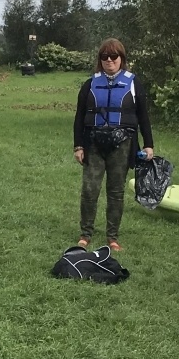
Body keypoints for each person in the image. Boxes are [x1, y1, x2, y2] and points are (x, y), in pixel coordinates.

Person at [72, 38, 154, 252]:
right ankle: (86, 233)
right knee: (90, 189)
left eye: (114, 56)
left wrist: (148, 145)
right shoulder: (90, 84)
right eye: (105, 57)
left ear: (121, 59)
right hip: (93, 142)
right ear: (100, 60)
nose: (109, 60)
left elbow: (143, 116)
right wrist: (78, 146)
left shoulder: (134, 83)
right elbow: (79, 117)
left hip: (122, 143)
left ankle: (112, 236)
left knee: (116, 191)